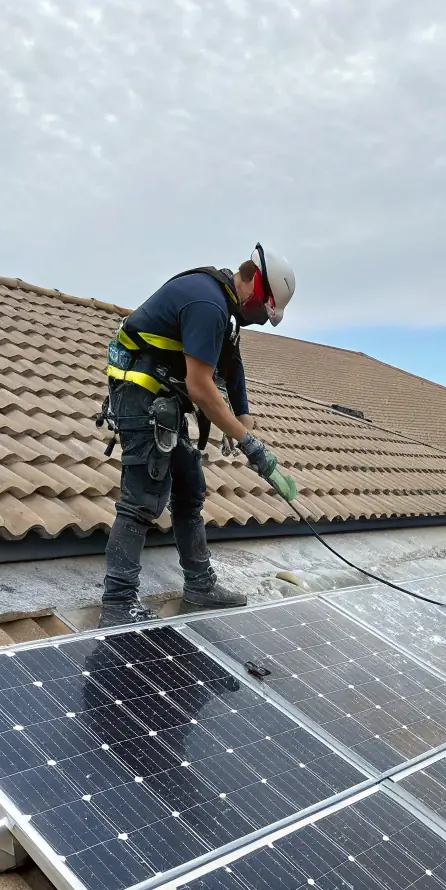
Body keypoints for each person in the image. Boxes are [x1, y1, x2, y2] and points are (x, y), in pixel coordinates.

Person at [98, 244, 296, 627]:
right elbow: (201, 387)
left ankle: (200, 586)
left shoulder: (222, 306)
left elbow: (231, 363)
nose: (259, 318)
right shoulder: (208, 303)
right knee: (142, 497)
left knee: (190, 489)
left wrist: (242, 415)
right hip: (139, 397)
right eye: (263, 310)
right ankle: (118, 602)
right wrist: (248, 443)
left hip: (163, 402)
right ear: (255, 285)